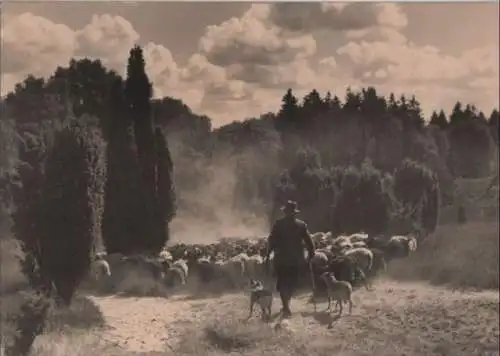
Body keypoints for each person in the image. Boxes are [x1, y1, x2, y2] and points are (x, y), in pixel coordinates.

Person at [265, 200, 315, 318]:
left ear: (286, 212)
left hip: (282, 258)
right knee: (291, 283)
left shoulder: (279, 224)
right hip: (295, 259)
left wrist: (268, 253)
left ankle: (285, 305)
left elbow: (271, 240)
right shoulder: (301, 225)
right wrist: (311, 253)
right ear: (293, 213)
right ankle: (286, 305)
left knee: (283, 282)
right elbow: (309, 241)